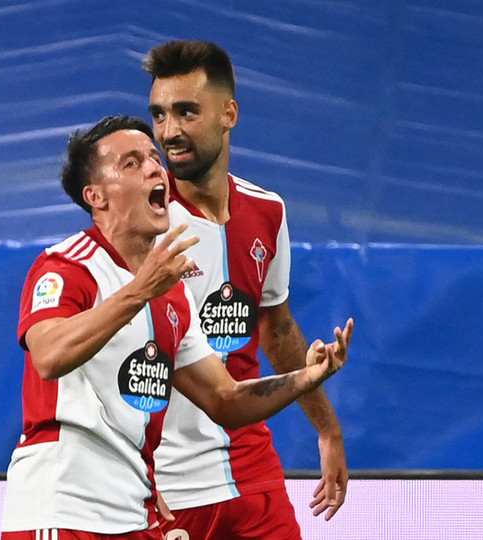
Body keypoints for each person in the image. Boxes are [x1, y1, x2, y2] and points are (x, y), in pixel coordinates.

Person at [0, 115, 354, 540]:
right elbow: (49, 355)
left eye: (153, 158)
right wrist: (140, 290)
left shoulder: (171, 295)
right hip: (62, 509)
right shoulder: (66, 267)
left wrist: (306, 377)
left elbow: (225, 399)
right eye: (132, 163)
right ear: (96, 196)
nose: (155, 168)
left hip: (133, 512)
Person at [143, 40, 349, 540]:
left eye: (186, 112)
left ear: (228, 114)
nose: (169, 131)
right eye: (159, 115)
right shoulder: (143, 222)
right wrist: (136, 479)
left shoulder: (267, 211)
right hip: (166, 485)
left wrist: (327, 428)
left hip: (251, 472)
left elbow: (276, 330)